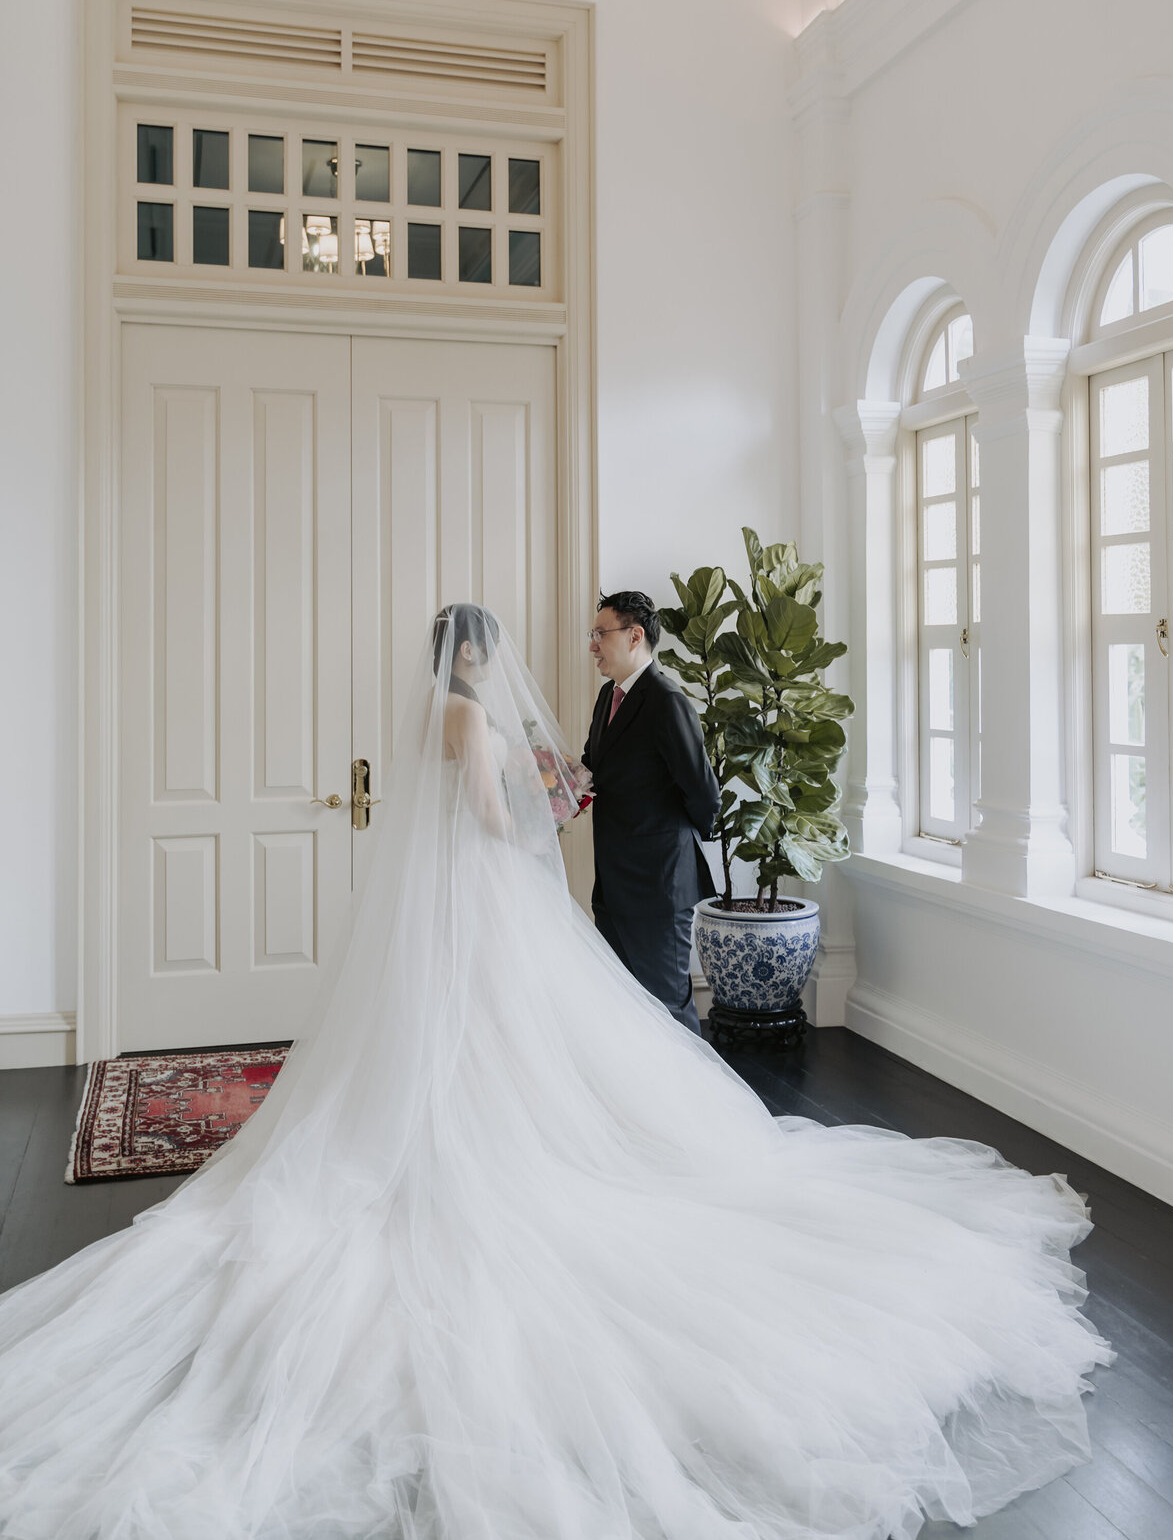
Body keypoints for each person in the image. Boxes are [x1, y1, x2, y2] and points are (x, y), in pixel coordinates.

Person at [0, 605, 1110, 1540]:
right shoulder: (476, 713)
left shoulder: (442, 714)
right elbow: (491, 818)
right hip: (491, 898)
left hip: (453, 915)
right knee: (531, 1031)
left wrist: (549, 789)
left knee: (455, 1035)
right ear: (478, 656)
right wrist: (545, 801)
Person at [582, 590, 720, 1032]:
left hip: (659, 888)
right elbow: (593, 769)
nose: (593, 646)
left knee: (668, 1010)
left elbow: (703, 792)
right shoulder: (608, 697)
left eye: (600, 634)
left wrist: (673, 842)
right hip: (613, 886)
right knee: (621, 1008)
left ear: (635, 635)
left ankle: (696, 1102)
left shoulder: (667, 701)